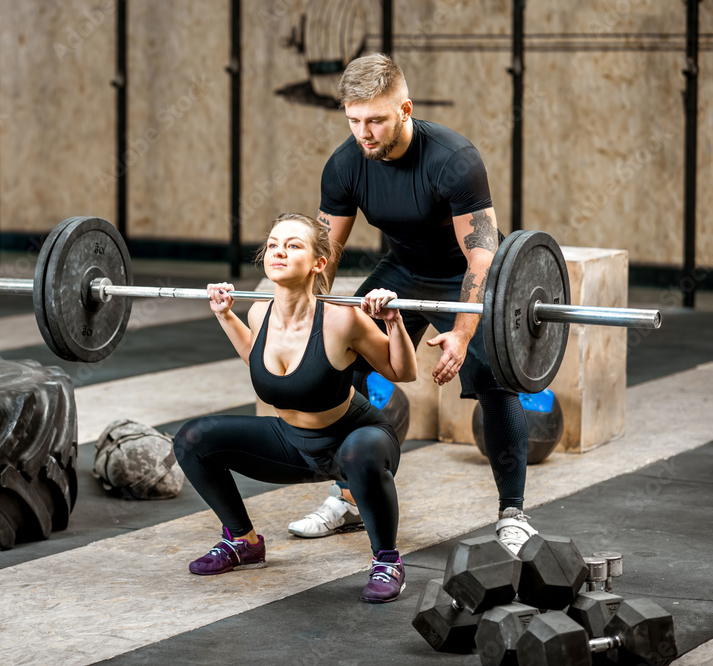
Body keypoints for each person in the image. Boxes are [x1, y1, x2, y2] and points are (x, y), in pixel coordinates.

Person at [288, 53, 537, 554]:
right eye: (354, 120)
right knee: (339, 361)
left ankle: (513, 513)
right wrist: (309, 318)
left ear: (404, 109)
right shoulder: (344, 164)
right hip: (401, 271)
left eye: (376, 119)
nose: (365, 132)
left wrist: (464, 334)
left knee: (492, 380)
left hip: (463, 275)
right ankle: (350, 499)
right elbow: (325, 255)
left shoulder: (453, 159)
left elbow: (482, 260)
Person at [173, 213, 417, 603]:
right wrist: (225, 315)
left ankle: (387, 561)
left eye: (293, 245)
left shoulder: (342, 319)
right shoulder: (258, 313)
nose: (279, 252)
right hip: (292, 444)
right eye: (272, 244)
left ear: (319, 263)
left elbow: (402, 372)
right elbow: (257, 358)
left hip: (355, 441)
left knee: (361, 451)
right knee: (192, 439)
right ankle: (243, 542)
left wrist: (393, 321)